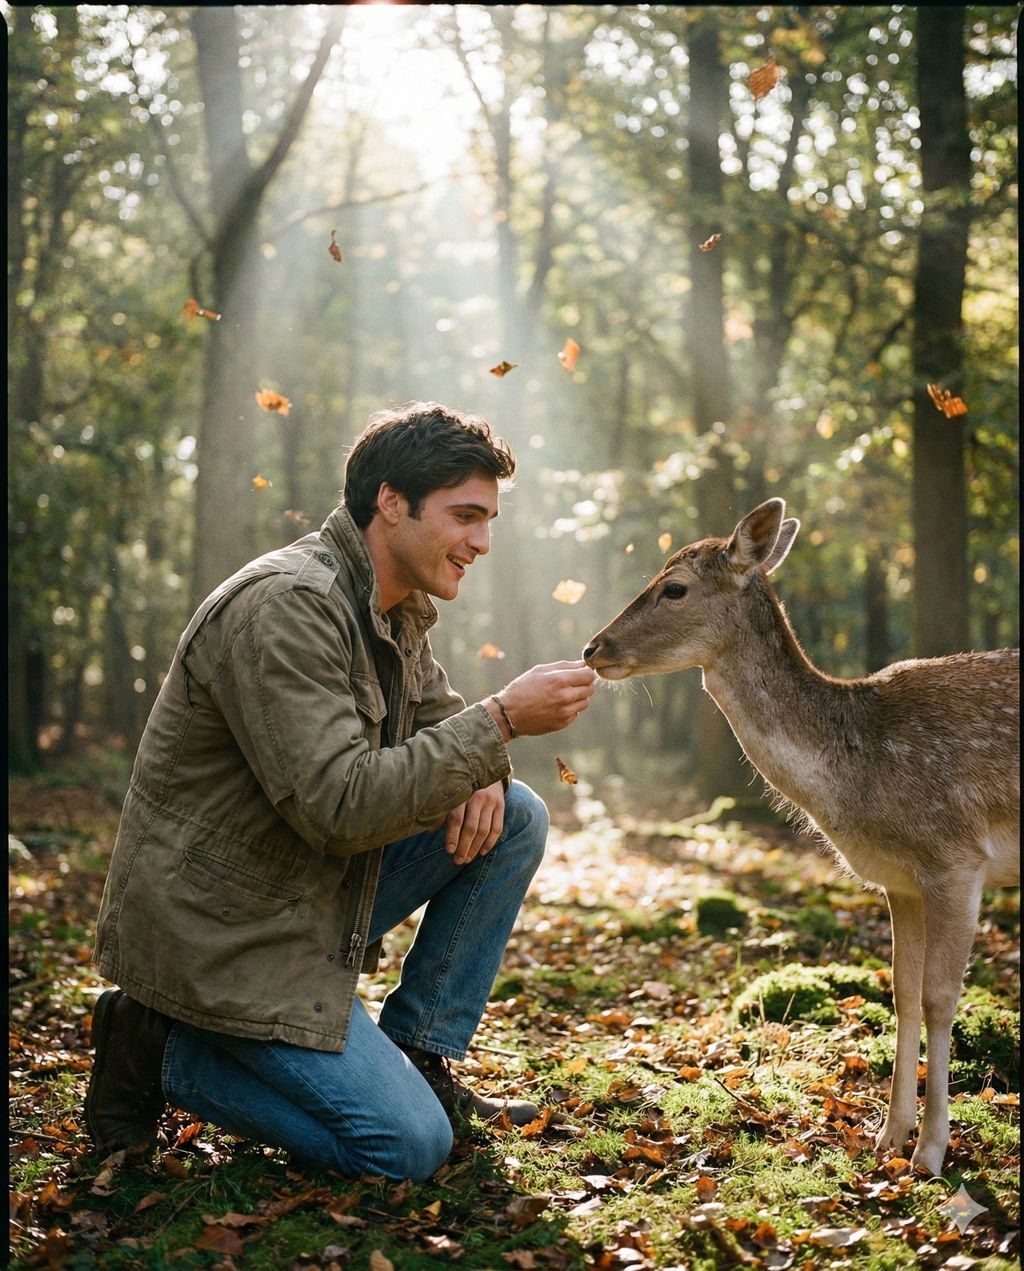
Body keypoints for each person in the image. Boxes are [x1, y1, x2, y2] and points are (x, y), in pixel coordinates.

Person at [85, 401, 597, 1182]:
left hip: (293, 895)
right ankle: (162, 1051)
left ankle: (419, 1052)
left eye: (488, 520)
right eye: (465, 516)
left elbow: (441, 722)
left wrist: (490, 757)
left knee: (515, 813)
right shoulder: (289, 606)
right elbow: (340, 804)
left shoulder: (391, 607)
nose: (482, 542)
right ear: (391, 501)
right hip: (219, 933)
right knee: (405, 1148)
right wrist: (500, 722)